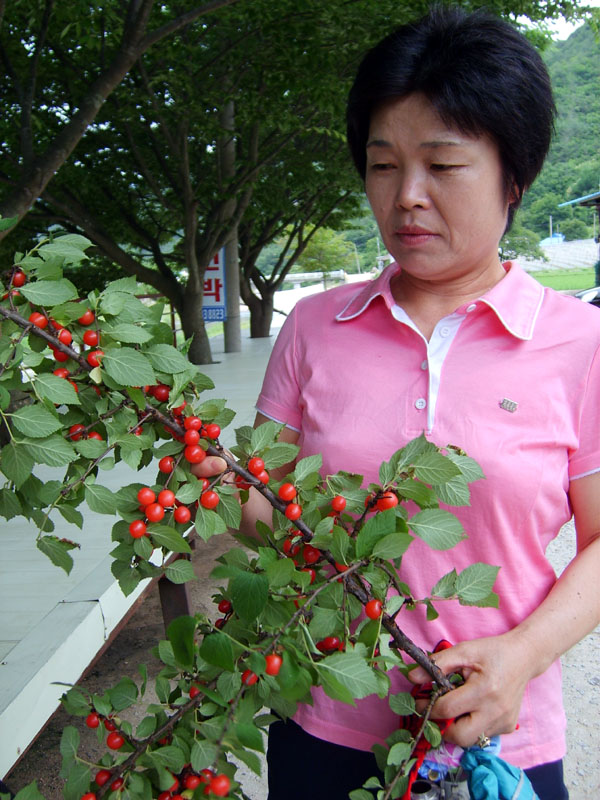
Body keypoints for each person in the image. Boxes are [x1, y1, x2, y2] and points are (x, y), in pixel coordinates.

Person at [195, 8, 600, 799]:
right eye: (383, 166)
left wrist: (517, 656)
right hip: (321, 723)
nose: (407, 196)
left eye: (442, 166)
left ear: (514, 177)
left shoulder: (581, 343)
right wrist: (213, 479)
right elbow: (267, 512)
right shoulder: (314, 326)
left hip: (493, 741)